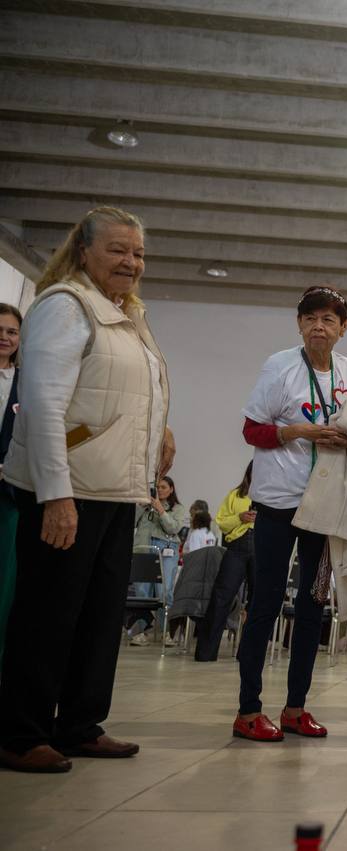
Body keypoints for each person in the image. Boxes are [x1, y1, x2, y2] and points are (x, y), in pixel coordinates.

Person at [0, 206, 175, 773]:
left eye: (139, 253)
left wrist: (158, 433)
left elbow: (123, 394)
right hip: (71, 488)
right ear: (84, 251)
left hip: (117, 491)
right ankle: (20, 733)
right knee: (48, 615)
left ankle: (78, 724)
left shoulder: (127, 313)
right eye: (119, 250)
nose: (132, 261)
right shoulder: (64, 306)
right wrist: (56, 495)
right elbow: (44, 407)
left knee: (98, 619)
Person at [234, 285, 347, 742]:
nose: (318, 326)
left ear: (343, 328)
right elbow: (252, 429)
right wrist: (298, 431)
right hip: (276, 503)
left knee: (312, 605)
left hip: (324, 509)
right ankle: (248, 710)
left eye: (328, 319)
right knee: (265, 603)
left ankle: (295, 708)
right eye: (310, 318)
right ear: (299, 324)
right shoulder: (279, 366)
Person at [194, 462, 255, 662]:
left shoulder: (275, 496)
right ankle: (206, 652)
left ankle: (248, 653)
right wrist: (240, 517)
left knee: (258, 600)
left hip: (262, 548)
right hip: (237, 546)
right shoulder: (236, 495)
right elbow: (221, 522)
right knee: (221, 596)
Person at [127, 475, 188, 647]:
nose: (159, 490)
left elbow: (173, 528)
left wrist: (161, 510)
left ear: (171, 489)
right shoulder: (144, 508)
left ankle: (166, 632)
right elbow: (129, 523)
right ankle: (140, 632)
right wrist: (140, 506)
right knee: (142, 591)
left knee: (164, 591)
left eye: (163, 487)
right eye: (157, 487)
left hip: (166, 552)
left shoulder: (177, 508)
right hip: (143, 549)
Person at [0, 302, 21, 663]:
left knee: (5, 583)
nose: (4, 337)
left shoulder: (27, 382)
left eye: (12, 331)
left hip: (10, 493)